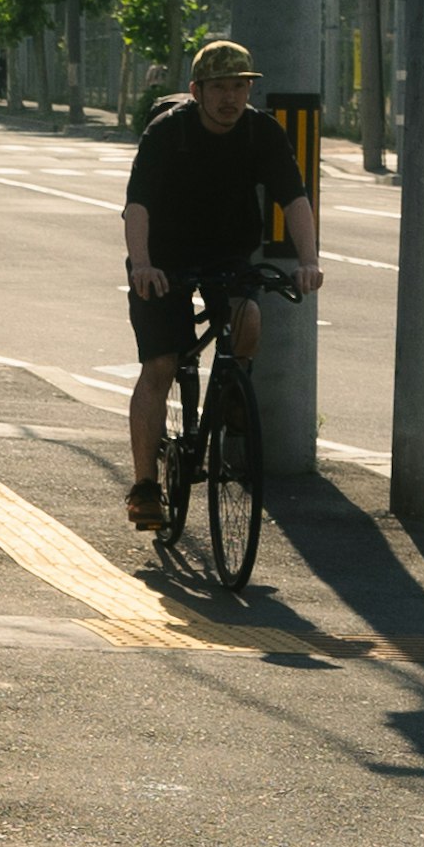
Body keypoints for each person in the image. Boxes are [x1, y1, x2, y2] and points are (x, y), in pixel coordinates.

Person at [123, 38, 313, 528]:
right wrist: (142, 264)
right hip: (163, 258)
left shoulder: (260, 133)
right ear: (196, 91)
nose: (231, 98)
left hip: (228, 252)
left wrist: (309, 261)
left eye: (240, 87)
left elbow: (293, 198)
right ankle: (145, 487)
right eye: (220, 88)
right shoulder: (169, 133)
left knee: (248, 317)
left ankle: (229, 393)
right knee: (161, 364)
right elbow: (138, 205)